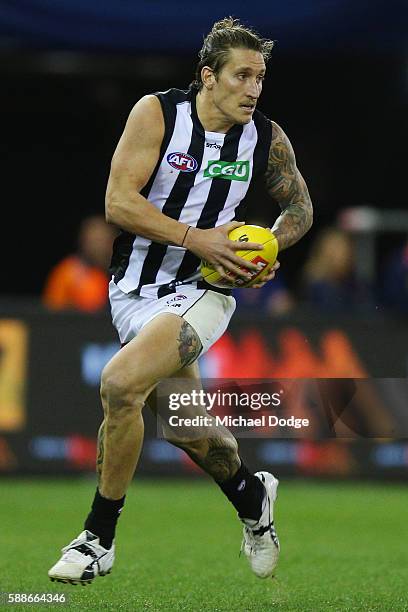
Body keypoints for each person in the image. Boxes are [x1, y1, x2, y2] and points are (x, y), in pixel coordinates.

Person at [48, 17, 313, 584]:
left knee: (121, 385)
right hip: (133, 289)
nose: (253, 89)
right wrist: (199, 237)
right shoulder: (158, 114)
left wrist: (265, 249)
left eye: (260, 77)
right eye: (241, 76)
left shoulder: (266, 137)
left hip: (205, 289)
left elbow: (300, 210)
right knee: (184, 425)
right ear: (207, 77)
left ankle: (98, 537)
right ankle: (251, 497)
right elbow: (119, 202)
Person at [43, 215, 116, 312]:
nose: (97, 246)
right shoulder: (67, 272)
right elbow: (51, 310)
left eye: (102, 240)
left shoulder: (125, 274)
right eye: (93, 240)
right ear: (83, 241)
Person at [301, 227, 371, 312]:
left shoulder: (357, 286)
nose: (342, 256)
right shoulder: (313, 287)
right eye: (335, 250)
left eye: (344, 249)